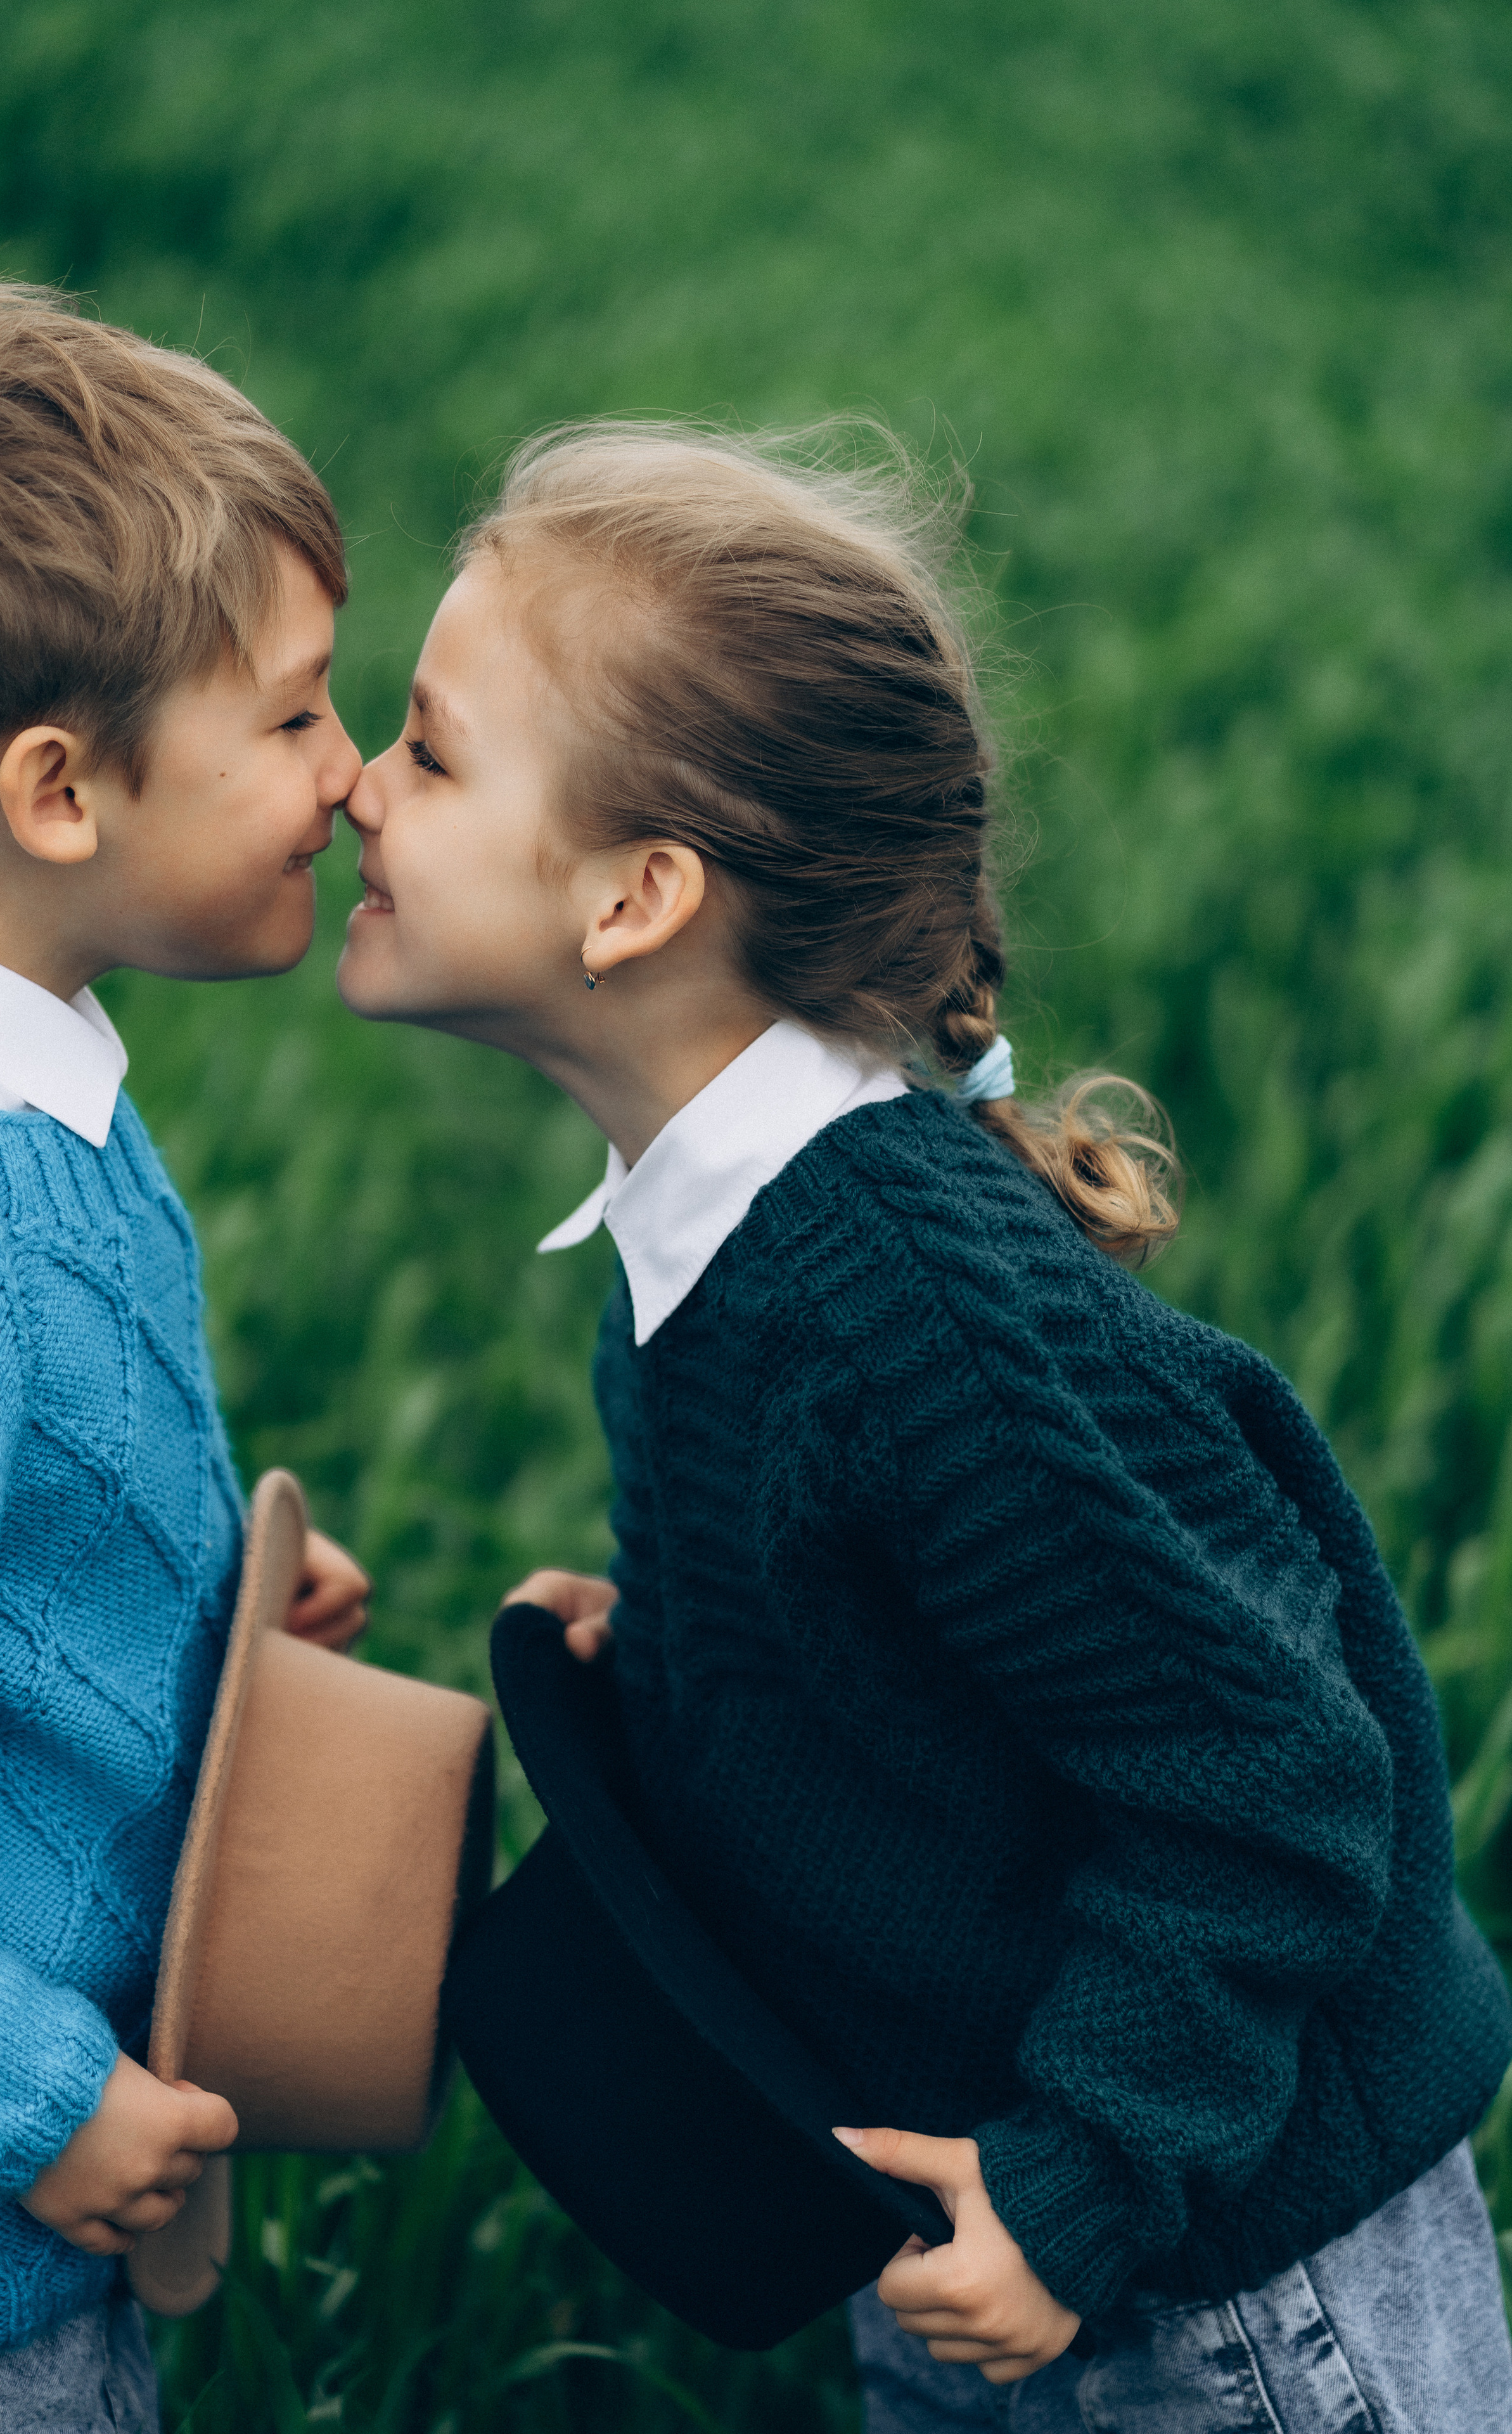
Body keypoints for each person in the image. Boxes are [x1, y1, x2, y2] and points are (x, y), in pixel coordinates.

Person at [336, 418, 1512, 2431]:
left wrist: (1078, 2191)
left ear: (636, 898)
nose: (358, 784)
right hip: (965, 2181)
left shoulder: (907, 1308)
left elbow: (1270, 1771)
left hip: (1217, 2274)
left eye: (429, 752)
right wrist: (701, 1673)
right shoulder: (711, 1217)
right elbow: (913, 1640)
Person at [0, 269, 371, 2431]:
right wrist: (23, 2091)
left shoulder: (26, 1067)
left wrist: (216, 1629)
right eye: (293, 717)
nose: (352, 778)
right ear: (60, 792)